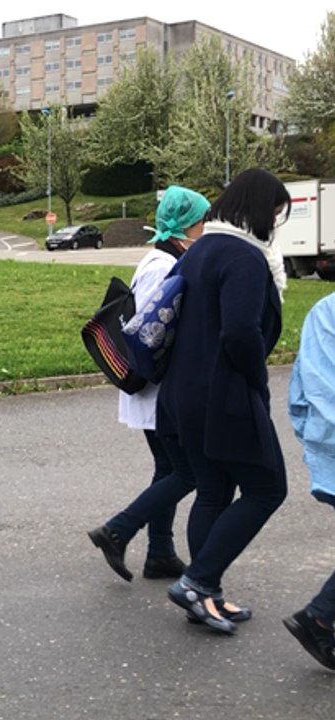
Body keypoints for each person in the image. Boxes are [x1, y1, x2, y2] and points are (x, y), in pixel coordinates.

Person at [159, 168, 292, 634]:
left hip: (184, 394)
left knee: (213, 492)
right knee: (268, 488)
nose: (274, 224)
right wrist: (259, 379)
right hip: (227, 394)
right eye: (274, 214)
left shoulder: (199, 252)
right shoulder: (243, 257)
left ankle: (205, 593)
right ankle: (199, 581)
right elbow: (240, 331)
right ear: (258, 210)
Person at [88, 187, 209, 583]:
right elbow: (157, 330)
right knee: (186, 473)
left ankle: (160, 553)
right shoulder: (162, 266)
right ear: (183, 226)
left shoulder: (164, 258)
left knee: (168, 470)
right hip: (160, 389)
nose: (206, 229)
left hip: (157, 389)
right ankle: (118, 530)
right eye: (202, 221)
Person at [285, 293, 335, 670]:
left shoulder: (324, 310)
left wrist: (309, 433)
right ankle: (318, 617)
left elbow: (302, 385)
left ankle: (319, 617)